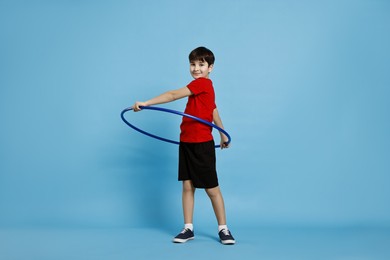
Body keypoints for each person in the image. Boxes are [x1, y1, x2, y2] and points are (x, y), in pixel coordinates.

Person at [132, 46, 235, 245]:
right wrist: (223, 133)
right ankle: (188, 228)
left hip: (202, 144)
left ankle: (224, 229)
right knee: (187, 186)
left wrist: (146, 103)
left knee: (211, 188)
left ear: (210, 68)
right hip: (186, 142)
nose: (196, 68)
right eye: (193, 64)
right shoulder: (202, 87)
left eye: (201, 64)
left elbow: (172, 95)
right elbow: (212, 110)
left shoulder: (203, 84)